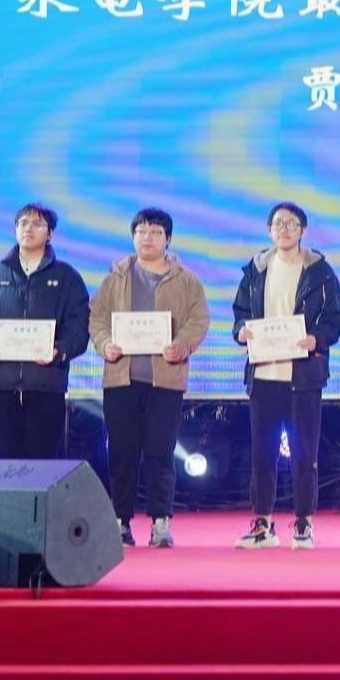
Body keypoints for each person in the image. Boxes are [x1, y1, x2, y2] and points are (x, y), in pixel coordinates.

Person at [89, 208, 210, 549]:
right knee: (122, 454)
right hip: (120, 379)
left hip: (165, 381)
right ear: (133, 237)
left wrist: (182, 345)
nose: (147, 238)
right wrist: (104, 343)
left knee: (160, 452)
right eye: (141, 231)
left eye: (155, 232)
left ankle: (160, 521)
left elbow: (199, 319)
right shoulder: (115, 276)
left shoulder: (186, 280)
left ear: (167, 239)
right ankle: (120, 521)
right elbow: (96, 318)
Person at [232, 201, 340, 550]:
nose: (284, 229)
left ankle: (303, 523)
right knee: (262, 454)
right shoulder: (256, 270)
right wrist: (241, 332)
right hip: (263, 375)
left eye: (292, 224)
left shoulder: (319, 271)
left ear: (303, 231)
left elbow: (336, 317)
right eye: (279, 224)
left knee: (304, 454)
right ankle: (262, 524)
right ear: (269, 230)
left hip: (304, 377)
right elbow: (240, 313)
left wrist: (317, 339)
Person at [0, 203, 90, 461]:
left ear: (50, 234)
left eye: (37, 224)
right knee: (3, 463)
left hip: (47, 383)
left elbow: (79, 326)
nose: (28, 229)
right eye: (23, 223)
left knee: (42, 463)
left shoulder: (67, 277)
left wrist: (59, 350)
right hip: (1, 383)